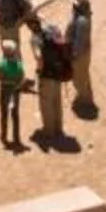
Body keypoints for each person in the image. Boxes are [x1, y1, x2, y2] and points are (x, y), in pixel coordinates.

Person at [32, 15, 70, 145]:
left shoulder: (36, 38)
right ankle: (58, 128)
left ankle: (49, 131)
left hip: (46, 74)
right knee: (56, 100)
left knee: (46, 103)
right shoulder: (53, 29)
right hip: (58, 72)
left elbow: (38, 57)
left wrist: (39, 70)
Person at [0, 41, 27, 149]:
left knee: (4, 114)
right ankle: (16, 138)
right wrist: (17, 85)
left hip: (4, 90)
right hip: (15, 91)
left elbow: (0, 77)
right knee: (15, 115)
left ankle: (4, 136)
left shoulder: (1, 64)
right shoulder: (19, 65)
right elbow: (23, 78)